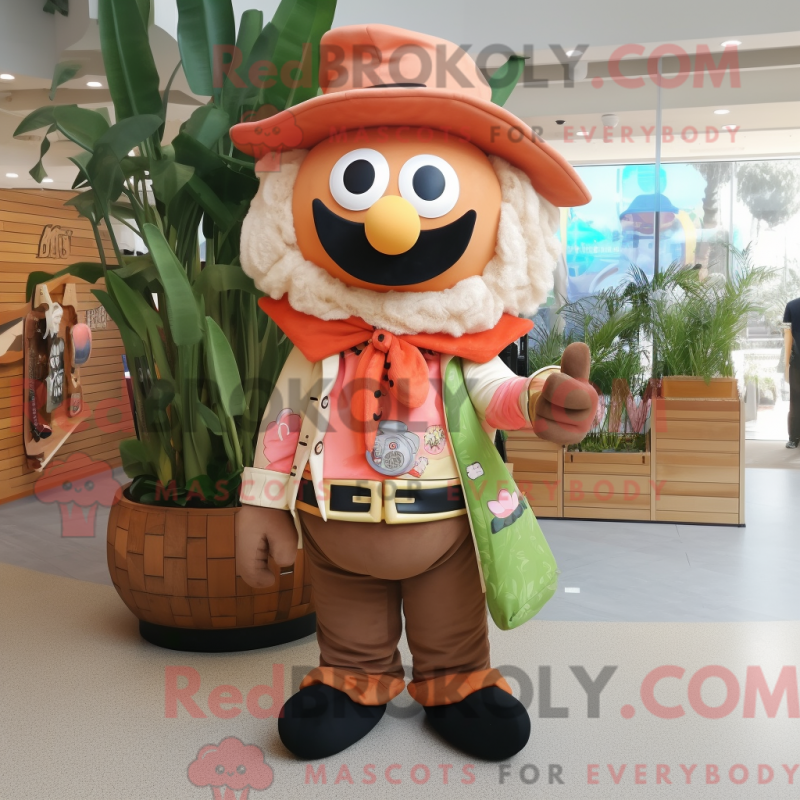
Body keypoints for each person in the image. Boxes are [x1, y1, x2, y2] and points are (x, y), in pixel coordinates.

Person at [784, 297, 800, 448]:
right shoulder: (792, 306)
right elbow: (787, 334)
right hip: (797, 361)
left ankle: (794, 438)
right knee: (795, 400)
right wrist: (785, 363)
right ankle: (794, 436)